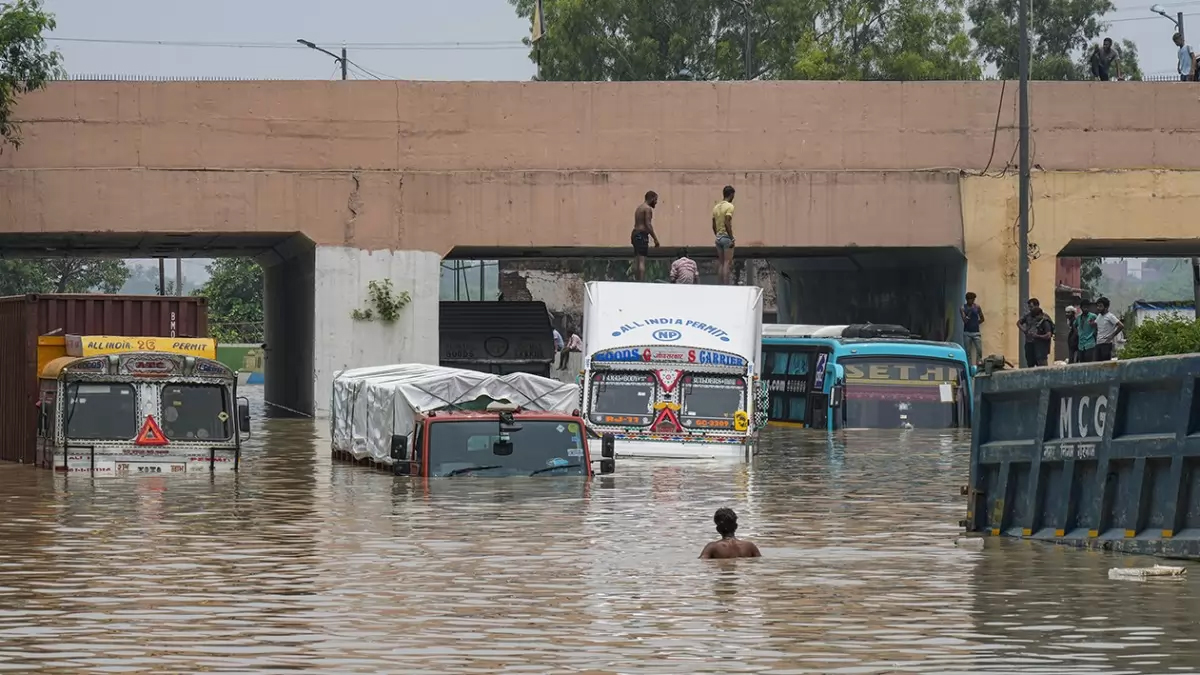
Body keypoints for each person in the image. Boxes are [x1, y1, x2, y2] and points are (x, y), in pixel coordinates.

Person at [632, 191, 661, 281]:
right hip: (641, 235)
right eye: (655, 200)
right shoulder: (647, 209)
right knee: (642, 260)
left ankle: (637, 280)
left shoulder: (639, 208)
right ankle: (641, 283)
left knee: (638, 259)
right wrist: (655, 239)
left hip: (635, 234)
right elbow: (648, 225)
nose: (656, 202)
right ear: (651, 198)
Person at [1017, 299, 1054, 367]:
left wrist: (1036, 336)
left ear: (1037, 306)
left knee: (1041, 362)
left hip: (1040, 344)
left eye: (1031, 307)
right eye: (1029, 307)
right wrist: (1025, 330)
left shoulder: (1044, 319)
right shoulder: (1028, 316)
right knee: (1030, 362)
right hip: (1029, 342)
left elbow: (1048, 334)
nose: (1030, 309)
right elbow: (1019, 323)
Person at [712, 186, 736, 285]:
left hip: (718, 237)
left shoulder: (716, 207)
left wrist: (717, 234)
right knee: (727, 263)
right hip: (726, 237)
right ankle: (726, 285)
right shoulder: (730, 206)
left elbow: (713, 224)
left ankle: (720, 284)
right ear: (731, 194)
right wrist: (732, 238)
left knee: (721, 263)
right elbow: (727, 222)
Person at [1095, 297, 1124, 361]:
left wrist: (1112, 336)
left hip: (1106, 344)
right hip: (1098, 343)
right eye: (1097, 306)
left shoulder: (1110, 316)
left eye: (1100, 306)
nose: (1098, 308)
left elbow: (1121, 325)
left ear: (1106, 307)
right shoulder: (1099, 316)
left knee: (1105, 364)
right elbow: (1097, 325)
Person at [960, 292, 985, 365]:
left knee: (979, 351)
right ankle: (970, 368)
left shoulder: (977, 307)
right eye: (971, 299)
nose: (972, 301)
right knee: (968, 352)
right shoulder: (962, 308)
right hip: (967, 333)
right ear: (967, 300)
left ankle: (978, 367)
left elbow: (982, 318)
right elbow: (965, 320)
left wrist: (976, 323)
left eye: (973, 299)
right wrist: (970, 312)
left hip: (976, 332)